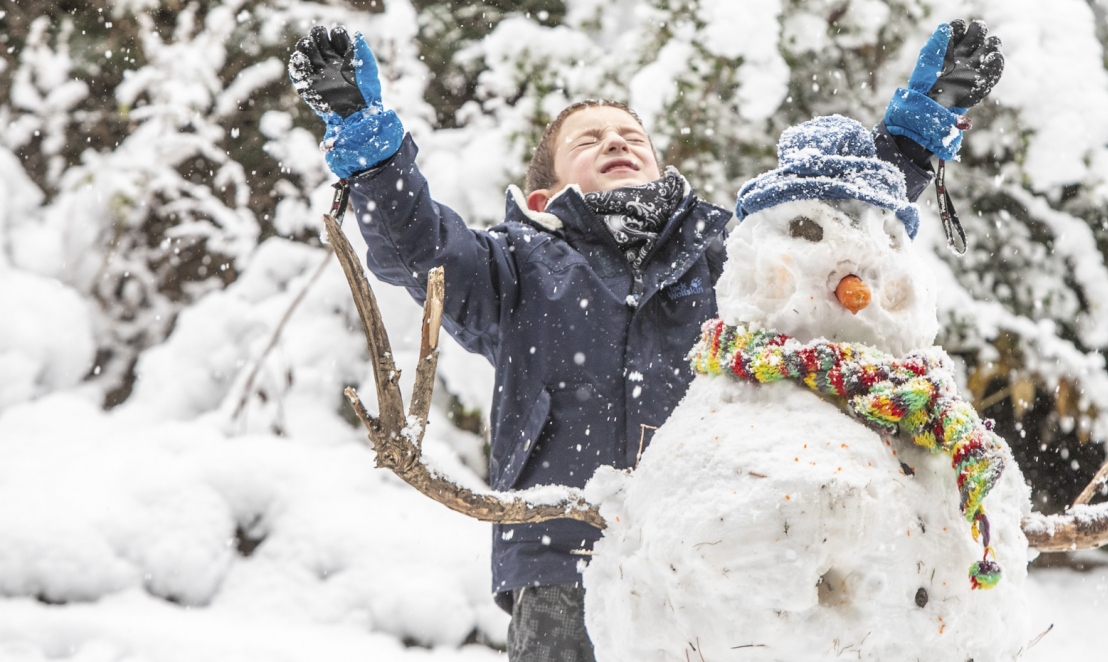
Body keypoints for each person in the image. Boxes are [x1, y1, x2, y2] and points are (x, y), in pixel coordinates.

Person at [287, 19, 1002, 662]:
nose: (616, 142)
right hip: (561, 558)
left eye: (632, 137)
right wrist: (368, 142)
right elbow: (417, 246)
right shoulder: (511, 267)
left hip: (711, 557)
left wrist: (920, 129)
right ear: (541, 197)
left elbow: (833, 224)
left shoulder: (727, 254)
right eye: (589, 140)